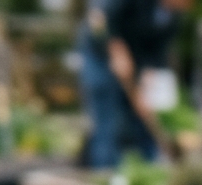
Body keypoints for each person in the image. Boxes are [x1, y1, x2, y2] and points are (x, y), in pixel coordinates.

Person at [76, 0, 190, 169]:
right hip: (99, 57)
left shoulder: (172, 17)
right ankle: (104, 171)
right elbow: (97, 17)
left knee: (140, 122)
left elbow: (158, 52)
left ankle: (145, 168)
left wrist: (150, 76)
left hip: (134, 65)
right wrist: (113, 47)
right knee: (109, 121)